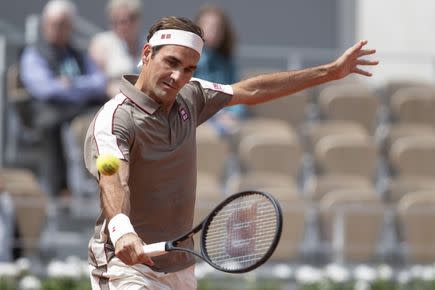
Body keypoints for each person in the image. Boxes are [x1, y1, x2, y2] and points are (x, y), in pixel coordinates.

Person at [84, 16, 377, 290]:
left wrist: (331, 72)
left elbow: (251, 91)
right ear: (147, 53)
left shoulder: (192, 95)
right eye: (171, 62)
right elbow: (114, 180)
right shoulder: (115, 119)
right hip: (126, 266)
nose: (178, 77)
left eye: (188, 69)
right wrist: (123, 230)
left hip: (180, 267)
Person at [20, 0, 107, 197]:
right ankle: (60, 189)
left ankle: (107, 181)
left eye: (64, 24)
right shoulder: (34, 53)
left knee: (109, 114)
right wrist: (78, 87)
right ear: (45, 26)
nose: (59, 29)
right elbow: (45, 89)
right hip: (49, 110)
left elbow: (99, 82)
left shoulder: (79, 54)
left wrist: (72, 84)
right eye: (55, 24)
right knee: (51, 125)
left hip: (79, 108)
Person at [194, 4, 246, 136]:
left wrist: (234, 114)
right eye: (209, 26)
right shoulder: (190, 60)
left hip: (226, 120)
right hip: (197, 119)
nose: (214, 31)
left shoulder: (227, 63)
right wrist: (216, 115)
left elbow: (238, 92)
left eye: (218, 27)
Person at [89, 0, 143, 98]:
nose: (126, 24)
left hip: (143, 98)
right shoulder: (101, 42)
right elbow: (98, 81)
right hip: (113, 99)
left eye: (131, 18)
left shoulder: (146, 44)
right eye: (119, 20)